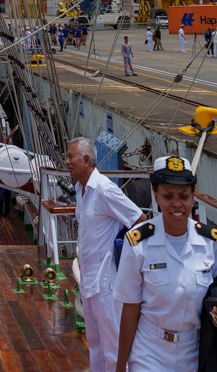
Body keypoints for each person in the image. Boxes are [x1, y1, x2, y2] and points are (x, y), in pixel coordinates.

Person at [113, 155, 217, 371]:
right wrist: (121, 365)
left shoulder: (210, 241)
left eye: (184, 196)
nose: (177, 204)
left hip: (196, 351)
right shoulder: (138, 242)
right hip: (149, 350)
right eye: (168, 196)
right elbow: (130, 307)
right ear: (156, 197)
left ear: (193, 198)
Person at [66, 137, 145, 372]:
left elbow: (139, 220)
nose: (67, 161)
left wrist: (126, 260)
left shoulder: (104, 189)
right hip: (89, 283)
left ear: (86, 160)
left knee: (113, 349)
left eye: (71, 157)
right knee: (96, 346)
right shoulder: (81, 190)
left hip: (106, 284)